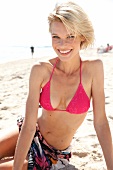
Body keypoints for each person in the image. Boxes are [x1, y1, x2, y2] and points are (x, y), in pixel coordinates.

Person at [0, 1, 113, 170]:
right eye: (56, 37)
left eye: (70, 36)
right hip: (29, 131)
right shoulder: (40, 70)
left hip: (54, 153)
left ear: (82, 36)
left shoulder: (93, 69)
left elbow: (101, 123)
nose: (62, 45)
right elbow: (29, 126)